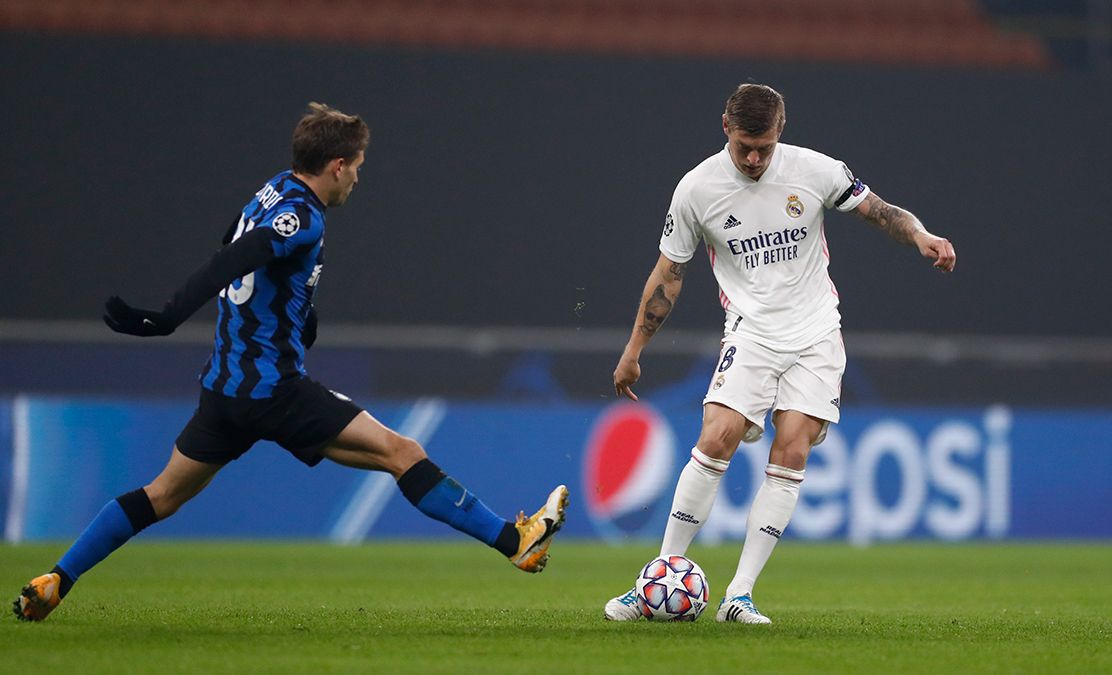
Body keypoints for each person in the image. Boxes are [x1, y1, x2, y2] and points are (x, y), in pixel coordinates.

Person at [13, 102, 568, 622]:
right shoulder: (303, 218)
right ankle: (513, 542)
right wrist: (166, 317)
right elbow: (240, 253)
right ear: (335, 164)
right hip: (273, 390)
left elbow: (233, 240)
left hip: (223, 391)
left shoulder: (271, 191)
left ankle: (56, 579)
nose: (357, 177)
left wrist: (299, 317)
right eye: (356, 167)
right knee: (404, 453)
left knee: (161, 495)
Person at [603, 84, 955, 624]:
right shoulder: (696, 189)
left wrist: (921, 235)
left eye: (763, 147)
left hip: (816, 332)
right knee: (716, 435)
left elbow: (879, 211)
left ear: (781, 130)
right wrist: (634, 349)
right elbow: (669, 275)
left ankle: (738, 596)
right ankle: (656, 578)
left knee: (791, 449)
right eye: (744, 145)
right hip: (750, 333)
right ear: (725, 126)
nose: (753, 158)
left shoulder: (816, 171)